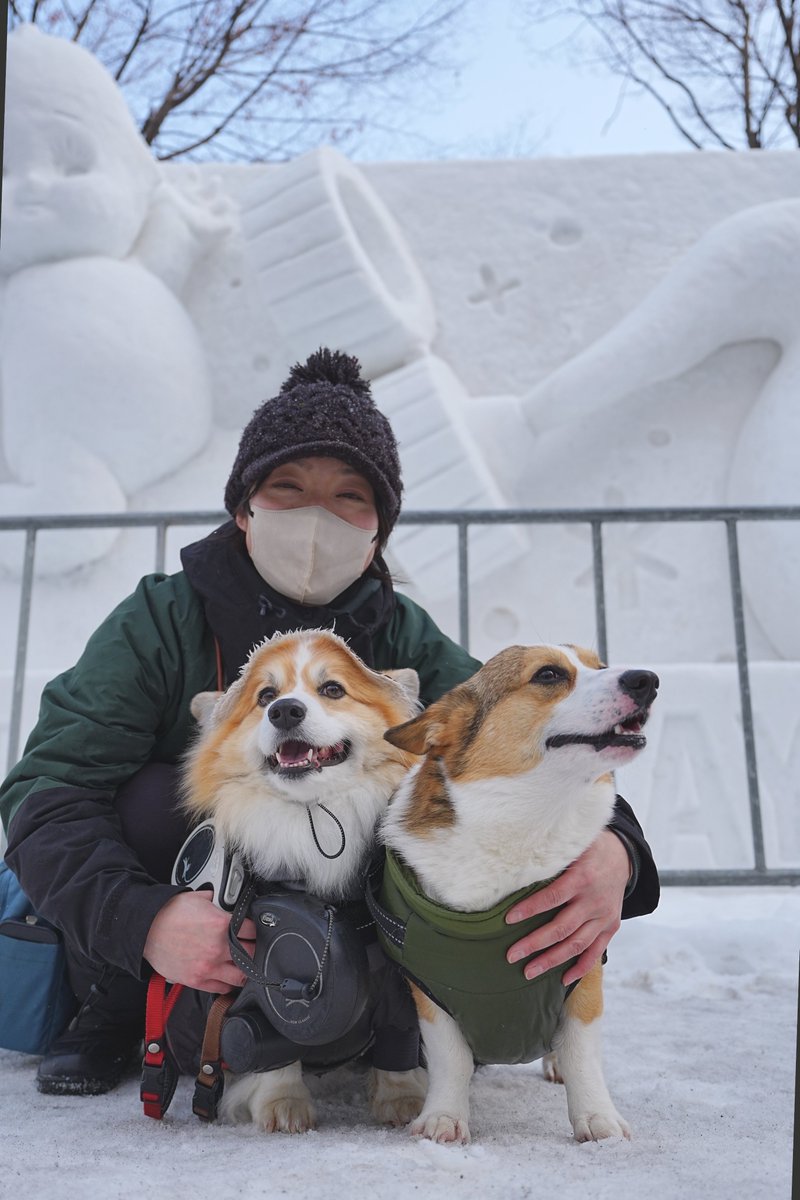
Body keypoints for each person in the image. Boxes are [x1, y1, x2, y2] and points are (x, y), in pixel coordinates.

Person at [0, 348, 659, 1097]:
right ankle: (118, 1000)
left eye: (352, 497)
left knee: (414, 801)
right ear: (244, 509)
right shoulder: (163, 618)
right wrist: (142, 920)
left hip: (339, 889)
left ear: (379, 531)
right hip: (181, 880)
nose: (319, 516)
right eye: (288, 487)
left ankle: (382, 1009)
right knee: (158, 798)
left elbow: (508, 738)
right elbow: (47, 788)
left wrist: (617, 852)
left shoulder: (399, 631)